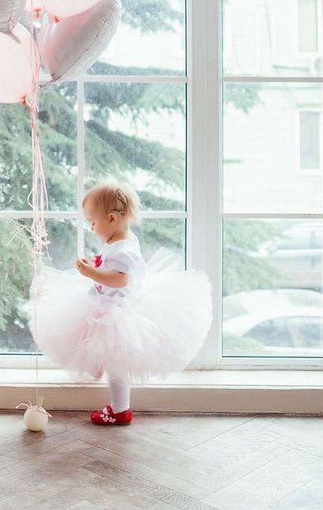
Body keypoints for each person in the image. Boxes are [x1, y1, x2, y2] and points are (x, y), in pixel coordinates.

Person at [31, 181, 212, 427]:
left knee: (117, 367)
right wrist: (96, 267)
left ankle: (120, 410)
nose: (91, 228)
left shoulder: (123, 249)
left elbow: (120, 279)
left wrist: (91, 273)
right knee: (91, 341)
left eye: (93, 222)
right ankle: (98, 365)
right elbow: (112, 270)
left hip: (118, 312)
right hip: (105, 304)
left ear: (112, 219)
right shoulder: (118, 241)